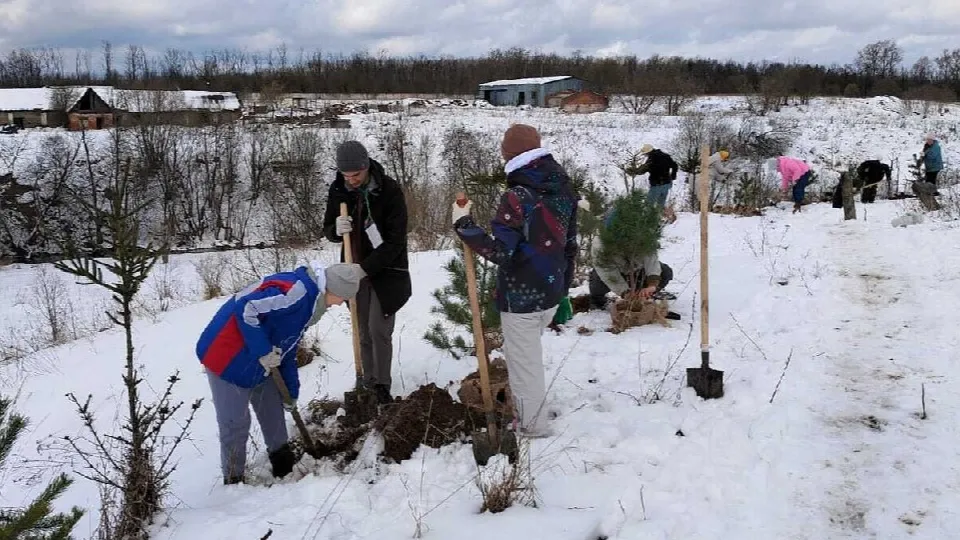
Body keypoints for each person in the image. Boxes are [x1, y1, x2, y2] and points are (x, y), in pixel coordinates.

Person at [452, 124, 578, 438]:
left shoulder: (517, 196)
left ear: (509, 155)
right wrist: (563, 288)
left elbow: (500, 251)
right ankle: (533, 410)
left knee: (524, 366)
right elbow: (571, 243)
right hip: (551, 289)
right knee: (529, 359)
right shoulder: (563, 188)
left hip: (521, 297)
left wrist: (464, 224)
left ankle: (533, 428)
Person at [197, 262, 364, 485]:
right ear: (332, 290)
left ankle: (283, 463)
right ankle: (233, 480)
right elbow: (246, 308)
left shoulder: (311, 305)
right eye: (343, 298)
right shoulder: (297, 293)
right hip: (227, 356)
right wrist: (263, 351)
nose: (341, 304)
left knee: (273, 411)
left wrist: (291, 392)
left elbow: (288, 346)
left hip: (262, 361)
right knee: (235, 423)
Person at [322, 141, 412, 405]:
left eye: (356, 175)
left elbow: (396, 242)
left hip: (386, 272)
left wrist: (365, 268)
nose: (351, 181)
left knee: (378, 329)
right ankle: (366, 379)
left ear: (367, 167)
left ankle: (382, 384)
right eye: (346, 176)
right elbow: (328, 229)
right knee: (361, 329)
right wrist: (335, 230)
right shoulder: (339, 188)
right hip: (353, 269)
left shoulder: (389, 190)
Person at [588, 208, 675, 311]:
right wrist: (625, 292)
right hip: (618, 273)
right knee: (597, 279)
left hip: (637, 271)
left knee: (665, 272)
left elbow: (651, 260)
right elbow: (607, 272)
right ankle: (597, 301)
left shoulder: (643, 235)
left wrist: (652, 284)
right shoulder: (600, 244)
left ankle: (647, 294)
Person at [636, 144, 678, 208]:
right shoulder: (666, 156)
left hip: (656, 185)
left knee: (649, 205)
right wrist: (673, 176)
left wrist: (634, 171)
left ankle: (650, 217)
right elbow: (675, 165)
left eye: (645, 154)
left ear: (648, 152)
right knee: (660, 205)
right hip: (667, 183)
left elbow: (643, 170)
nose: (646, 155)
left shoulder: (652, 159)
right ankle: (658, 216)